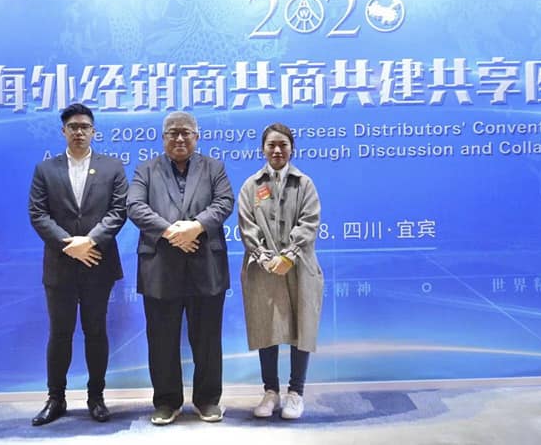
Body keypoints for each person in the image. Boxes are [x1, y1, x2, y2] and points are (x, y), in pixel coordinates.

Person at [127, 112, 234, 425]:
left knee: (208, 339)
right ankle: (166, 401)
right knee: (161, 339)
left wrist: (196, 227)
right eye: (172, 133)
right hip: (160, 266)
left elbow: (224, 202)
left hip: (206, 264)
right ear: (163, 138)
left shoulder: (214, 168)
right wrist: (172, 232)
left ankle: (207, 400)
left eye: (186, 132)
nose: (179, 138)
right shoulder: (146, 169)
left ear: (196, 137)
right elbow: (135, 206)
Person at [28, 103, 128, 426]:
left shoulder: (112, 167)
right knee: (60, 333)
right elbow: (38, 214)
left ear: (94, 131)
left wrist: (89, 242)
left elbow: (118, 212)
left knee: (96, 332)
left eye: (85, 127)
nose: (79, 132)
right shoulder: (46, 169)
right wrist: (69, 246)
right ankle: (55, 398)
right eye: (73, 127)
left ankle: (96, 398)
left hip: (98, 263)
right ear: (63, 132)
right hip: (60, 266)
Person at [237, 122, 324, 420]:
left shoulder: (305, 184)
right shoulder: (251, 186)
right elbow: (247, 226)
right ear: (263, 149)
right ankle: (270, 392)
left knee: (302, 326)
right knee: (267, 327)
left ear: (292, 149)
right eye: (271, 145)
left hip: (299, 267)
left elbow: (310, 222)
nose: (277, 150)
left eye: (283, 145)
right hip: (264, 269)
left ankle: (296, 393)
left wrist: (289, 255)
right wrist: (264, 257)